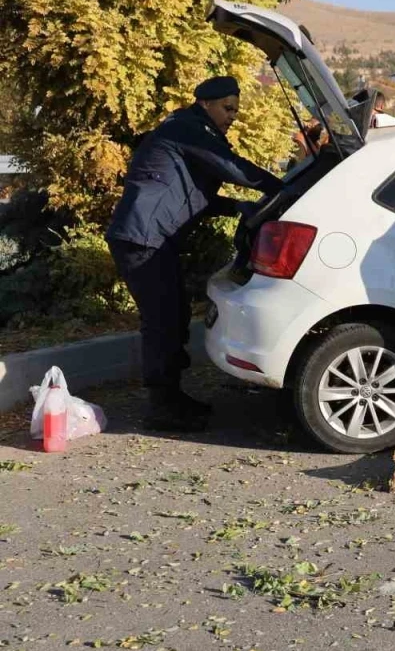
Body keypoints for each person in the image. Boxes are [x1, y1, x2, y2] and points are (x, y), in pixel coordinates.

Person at [106, 76, 283, 432]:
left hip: (153, 239)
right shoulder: (188, 129)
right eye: (227, 108)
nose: (232, 116)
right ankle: (161, 407)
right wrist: (285, 188)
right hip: (143, 240)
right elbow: (232, 167)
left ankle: (172, 397)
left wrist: (237, 206)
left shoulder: (191, 130)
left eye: (235, 110)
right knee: (162, 321)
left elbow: (192, 196)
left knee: (174, 315)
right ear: (206, 103)